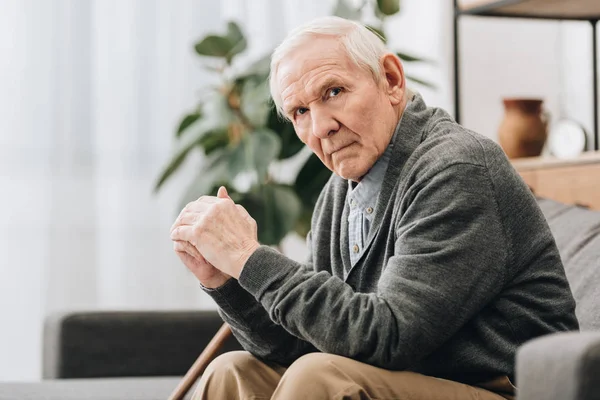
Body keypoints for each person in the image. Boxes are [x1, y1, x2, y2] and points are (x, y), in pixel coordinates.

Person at [169, 16, 578, 400]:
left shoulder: (457, 167)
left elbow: (389, 337)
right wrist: (227, 280)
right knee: (233, 372)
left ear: (391, 80)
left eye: (333, 92)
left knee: (320, 378)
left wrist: (250, 258)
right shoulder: (339, 192)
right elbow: (307, 342)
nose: (321, 126)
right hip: (408, 378)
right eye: (300, 111)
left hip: (501, 388)